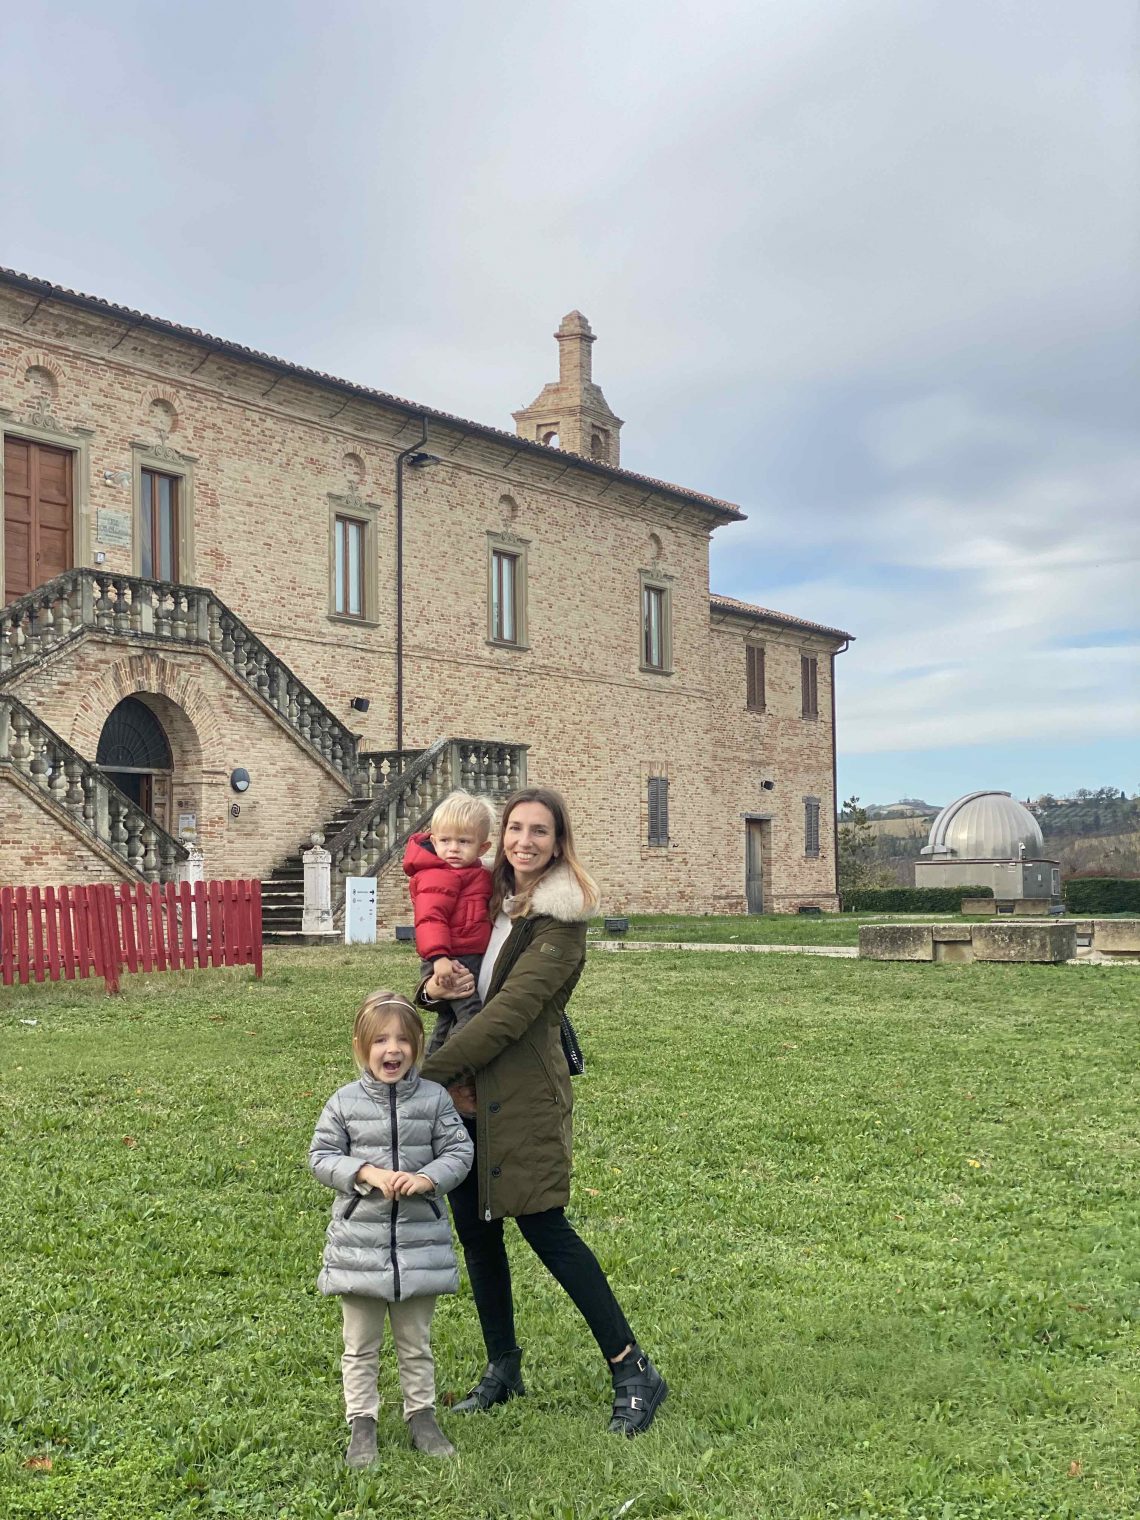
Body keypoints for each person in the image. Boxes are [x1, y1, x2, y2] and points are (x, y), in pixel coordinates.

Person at [417, 786, 668, 1437]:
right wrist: (429, 986)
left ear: (559, 844)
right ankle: (504, 1368)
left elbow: (507, 1015)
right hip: (465, 1095)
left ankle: (633, 1368)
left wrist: (423, 1077)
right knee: (476, 1229)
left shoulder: (560, 922)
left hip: (521, 1096)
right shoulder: (495, 903)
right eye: (516, 829)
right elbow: (460, 980)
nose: (525, 841)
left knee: (546, 1229)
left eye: (540, 832)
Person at [309, 990, 474, 1466]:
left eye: (403, 1039)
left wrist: (427, 1179)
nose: (392, 1049)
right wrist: (364, 1173)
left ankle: (421, 1416)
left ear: (418, 1047)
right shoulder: (343, 1103)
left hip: (420, 1246)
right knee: (359, 1346)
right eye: (380, 1040)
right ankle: (362, 1424)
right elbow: (320, 1156)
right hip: (359, 1248)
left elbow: (459, 1153)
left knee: (415, 1343)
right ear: (362, 1046)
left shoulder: (435, 1100)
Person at [402, 789, 495, 1056]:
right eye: (445, 841)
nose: (453, 848)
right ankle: (452, 1064)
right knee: (472, 1016)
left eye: (464, 842)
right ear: (433, 840)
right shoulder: (437, 876)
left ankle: (431, 1068)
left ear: (483, 847)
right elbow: (430, 920)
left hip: (467, 955)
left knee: (448, 1020)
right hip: (450, 959)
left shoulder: (474, 874)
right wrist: (440, 958)